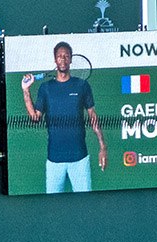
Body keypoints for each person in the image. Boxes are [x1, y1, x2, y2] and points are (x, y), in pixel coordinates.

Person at [21, 42, 108, 194]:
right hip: (54, 161)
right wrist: (26, 90)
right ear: (55, 60)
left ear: (70, 60)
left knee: (85, 206)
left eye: (66, 56)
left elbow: (93, 117)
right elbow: (35, 118)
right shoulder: (45, 88)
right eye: (60, 56)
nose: (63, 59)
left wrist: (102, 146)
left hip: (80, 159)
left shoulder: (82, 85)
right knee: (53, 208)